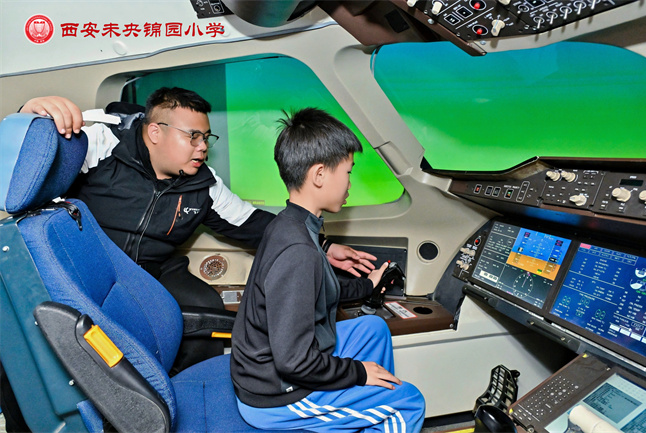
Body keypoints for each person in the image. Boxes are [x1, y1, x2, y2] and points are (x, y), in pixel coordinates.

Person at [18, 88, 378, 373]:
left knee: (206, 307)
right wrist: (30, 112)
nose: (203, 147)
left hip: (151, 271)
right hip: (87, 262)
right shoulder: (102, 140)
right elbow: (28, 159)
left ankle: (183, 388)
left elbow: (255, 225)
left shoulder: (204, 185)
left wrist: (324, 246)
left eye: (206, 137)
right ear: (155, 132)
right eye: (193, 137)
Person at [230, 107, 425, 432]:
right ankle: (377, 408)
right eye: (347, 172)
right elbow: (294, 361)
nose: (350, 183)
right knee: (408, 401)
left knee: (373, 329)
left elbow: (317, 288)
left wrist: (368, 285)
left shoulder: (291, 224)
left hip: (272, 368)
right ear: (319, 175)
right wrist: (358, 373)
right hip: (276, 394)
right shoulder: (298, 251)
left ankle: (364, 408)